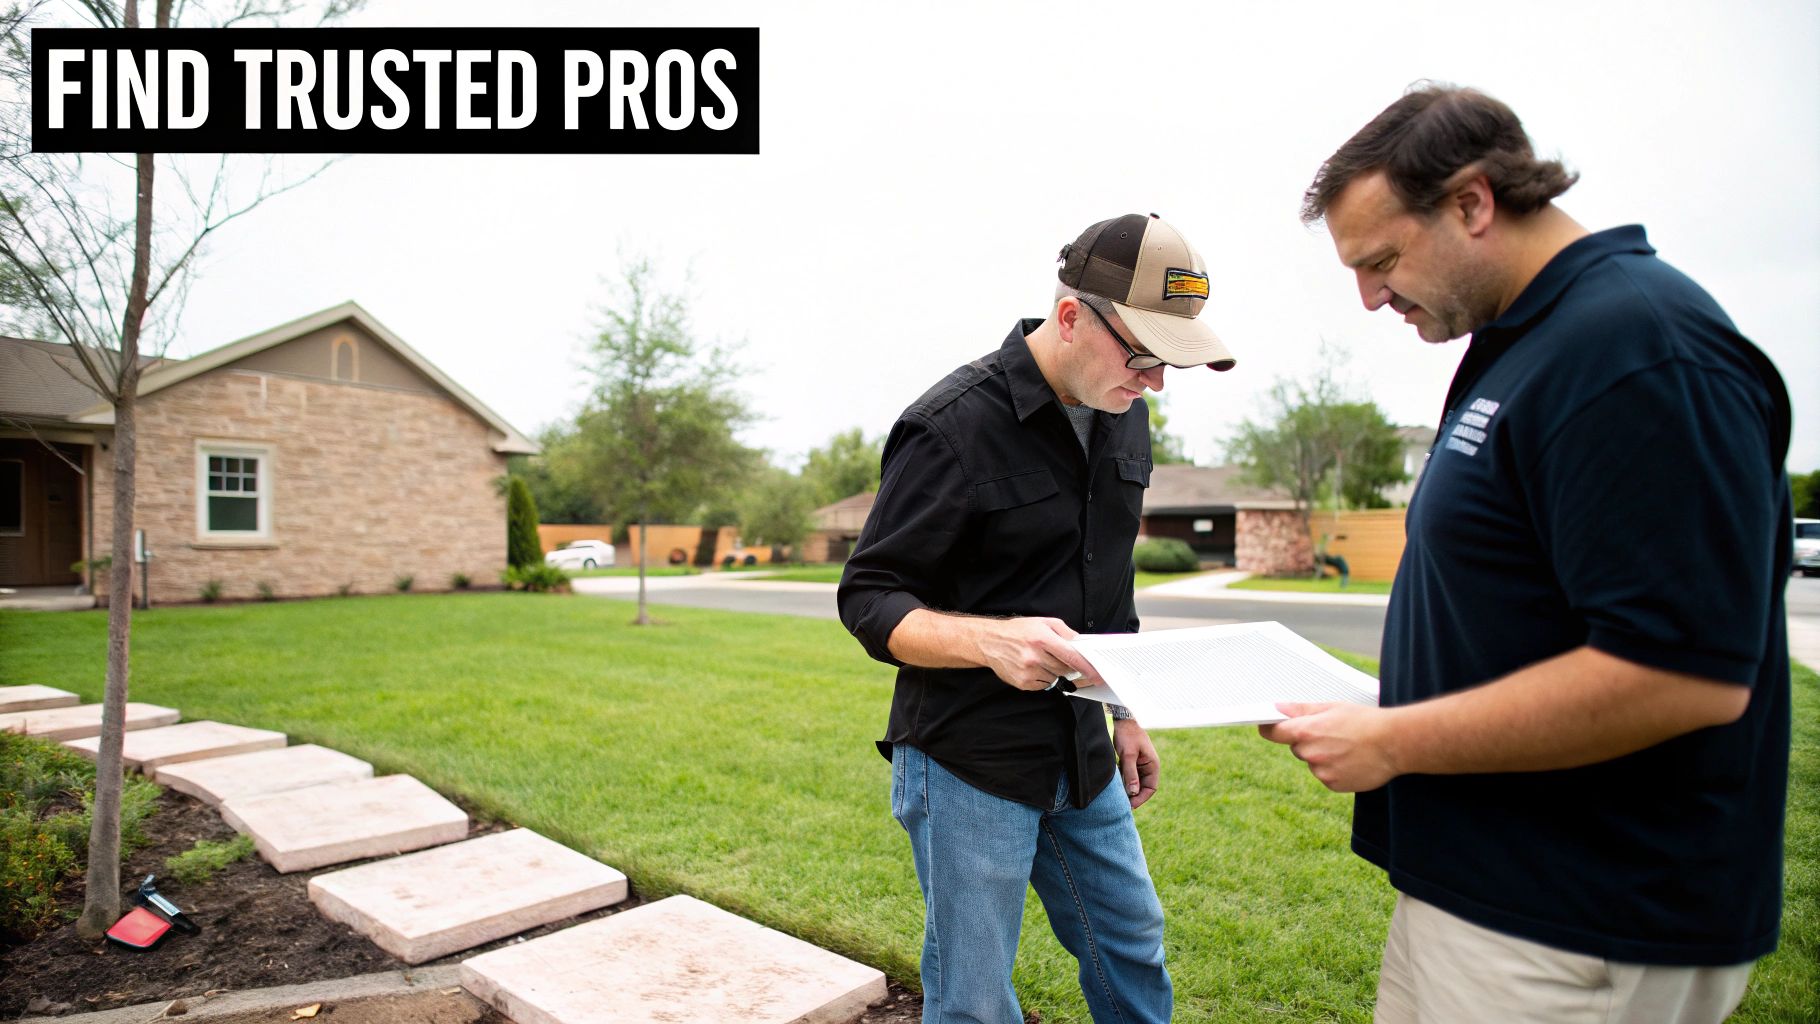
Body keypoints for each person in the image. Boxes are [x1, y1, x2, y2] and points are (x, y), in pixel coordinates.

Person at [1261, 83, 1792, 1023]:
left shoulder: (1639, 351)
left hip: (1581, 920)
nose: (1371, 296)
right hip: (1485, 891)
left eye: (1382, 259)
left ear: (1472, 202)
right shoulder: (1531, 341)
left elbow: (1680, 674)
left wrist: (1393, 739)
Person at [838, 213, 1236, 1024]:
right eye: (1145, 356)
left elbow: (1108, 580)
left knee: (1131, 941)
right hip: (968, 757)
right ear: (1070, 318)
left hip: (1084, 752)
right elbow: (869, 596)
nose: (1155, 382)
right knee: (975, 995)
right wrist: (990, 641)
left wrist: (1123, 711)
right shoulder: (950, 426)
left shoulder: (1122, 407)